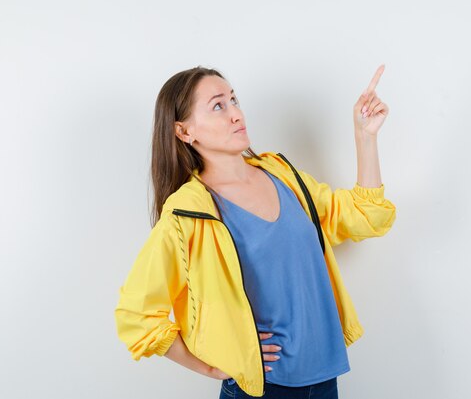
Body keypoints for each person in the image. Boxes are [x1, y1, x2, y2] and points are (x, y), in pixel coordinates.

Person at [114, 65, 396, 398]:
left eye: (234, 100)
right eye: (218, 105)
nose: (236, 114)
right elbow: (138, 316)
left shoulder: (282, 174)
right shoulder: (188, 213)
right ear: (184, 131)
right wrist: (212, 365)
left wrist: (366, 137)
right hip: (262, 389)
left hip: (325, 377)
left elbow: (364, 216)